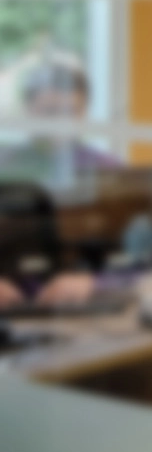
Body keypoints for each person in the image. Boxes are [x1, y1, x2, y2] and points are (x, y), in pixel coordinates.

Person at [0, 61, 113, 309]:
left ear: (84, 112)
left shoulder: (109, 172)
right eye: (50, 112)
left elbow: (140, 260)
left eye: (71, 111)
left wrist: (95, 281)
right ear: (29, 110)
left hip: (82, 311)